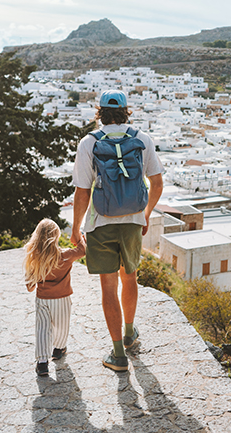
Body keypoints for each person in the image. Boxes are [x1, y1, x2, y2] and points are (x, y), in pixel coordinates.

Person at [71, 90, 164, 372]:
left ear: (99, 112)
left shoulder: (89, 143)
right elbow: (157, 183)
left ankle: (117, 355)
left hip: (101, 223)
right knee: (130, 276)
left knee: (108, 287)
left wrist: (76, 229)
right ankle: (130, 333)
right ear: (126, 111)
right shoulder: (142, 139)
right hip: (133, 222)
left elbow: (82, 191)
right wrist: (145, 215)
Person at [24, 218, 85, 377]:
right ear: (56, 236)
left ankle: (42, 363)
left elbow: (29, 287)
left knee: (42, 328)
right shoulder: (65, 255)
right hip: (62, 298)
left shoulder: (34, 258)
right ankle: (58, 349)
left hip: (42, 299)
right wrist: (78, 235)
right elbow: (83, 250)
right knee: (61, 325)